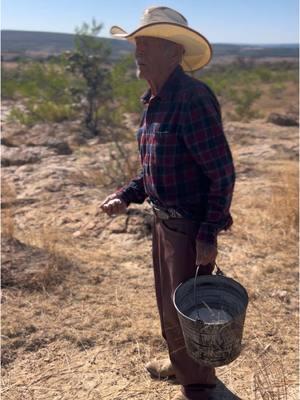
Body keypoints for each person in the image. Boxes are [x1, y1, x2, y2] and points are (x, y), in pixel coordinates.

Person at [101, 6, 235, 400]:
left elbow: (221, 174)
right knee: (171, 305)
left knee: (191, 310)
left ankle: (198, 385)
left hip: (191, 225)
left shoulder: (192, 99)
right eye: (137, 42)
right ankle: (181, 366)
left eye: (149, 43)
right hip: (164, 223)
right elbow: (156, 168)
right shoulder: (155, 100)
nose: (138, 50)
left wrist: (208, 232)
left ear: (174, 53)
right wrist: (127, 195)